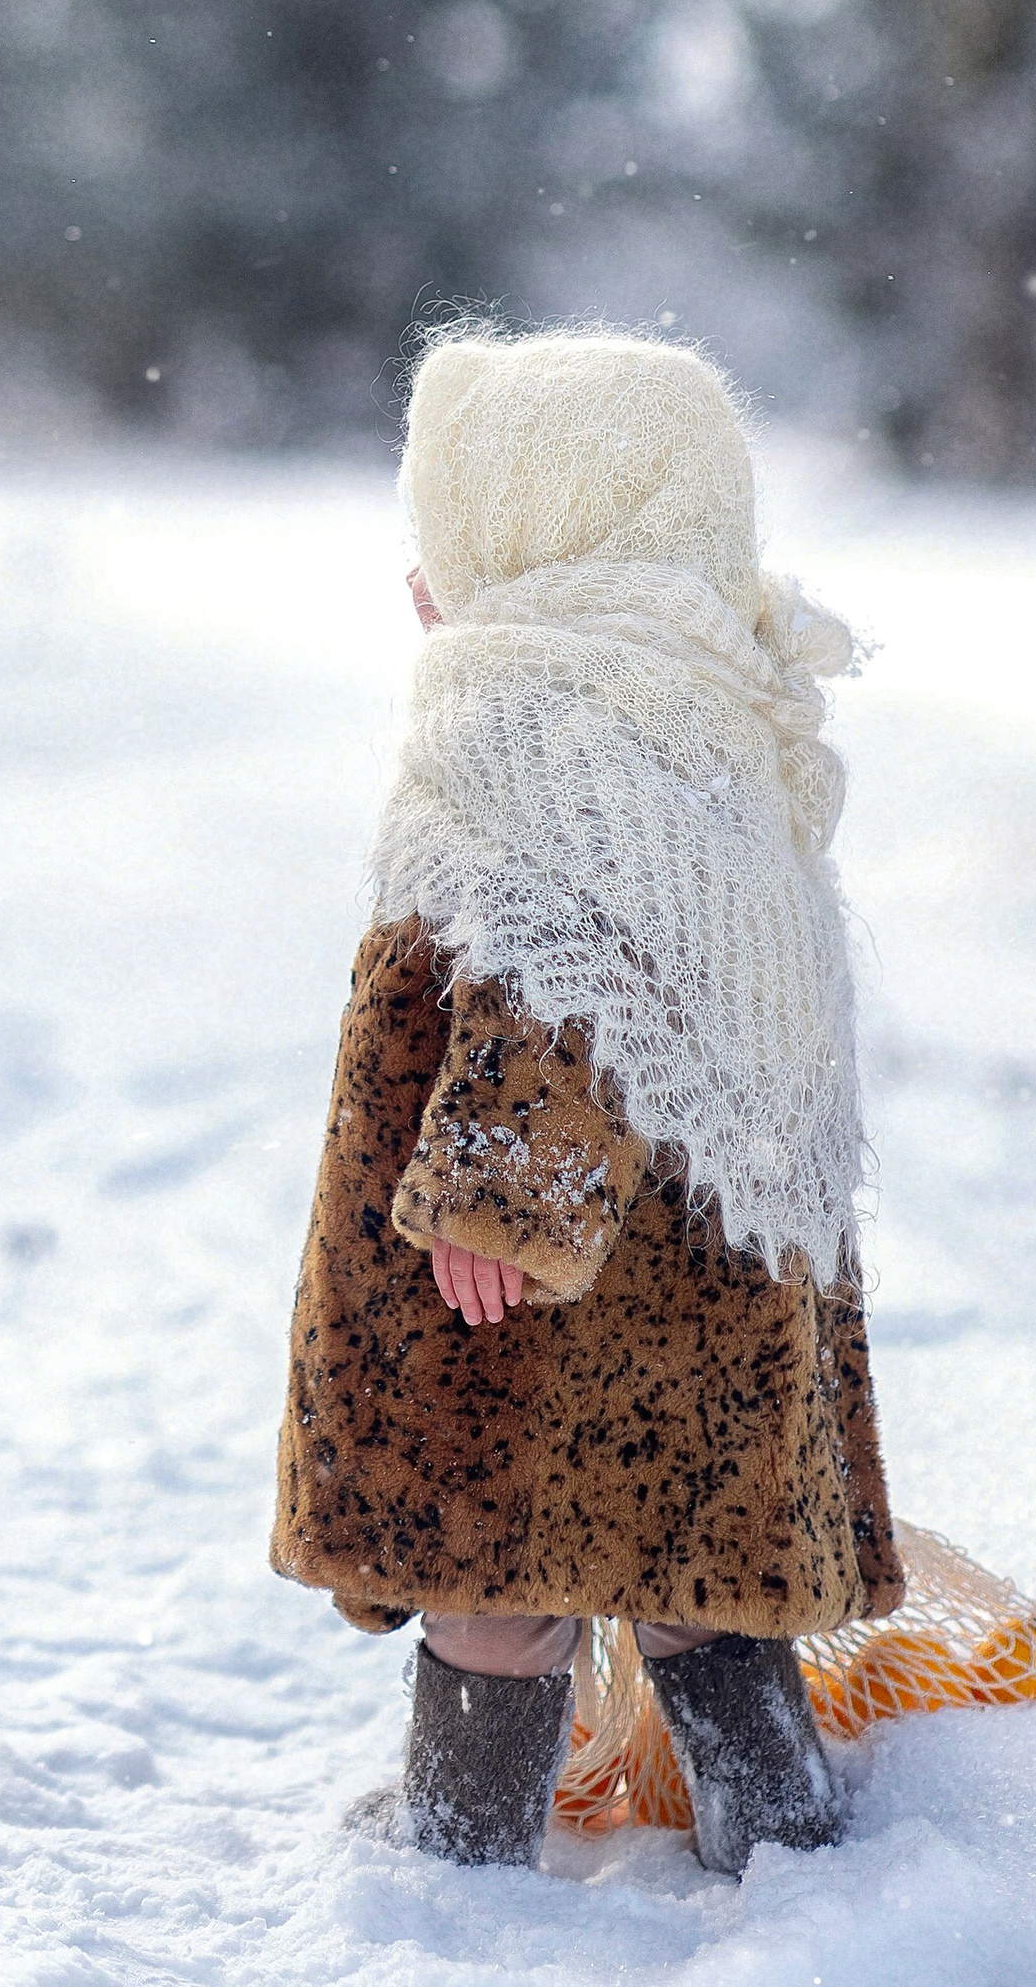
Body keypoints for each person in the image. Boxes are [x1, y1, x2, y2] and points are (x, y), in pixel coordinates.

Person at [271, 323, 902, 1872]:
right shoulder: (700, 696)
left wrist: (504, 1192)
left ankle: (464, 1839)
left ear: (541, 529)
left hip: (542, 1291)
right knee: (702, 1578)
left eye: (459, 533)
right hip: (706, 1267)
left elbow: (562, 972)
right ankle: (779, 1832)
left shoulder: (546, 715)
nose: (431, 578)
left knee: (502, 1574)